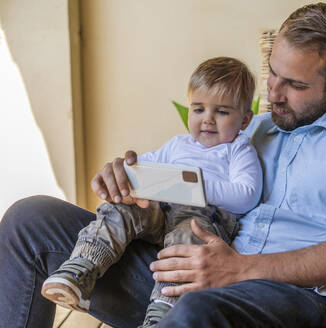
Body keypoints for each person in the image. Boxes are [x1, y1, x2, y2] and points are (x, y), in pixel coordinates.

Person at [0, 3, 326, 328]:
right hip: (190, 279)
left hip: (300, 300)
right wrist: (137, 181)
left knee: (198, 307)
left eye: (294, 85)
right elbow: (184, 182)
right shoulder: (245, 129)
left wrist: (240, 270)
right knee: (30, 220)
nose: (273, 94)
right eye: (272, 74)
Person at [40, 56, 262, 327]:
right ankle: (81, 269)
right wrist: (128, 173)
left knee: (188, 242)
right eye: (199, 109)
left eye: (222, 112)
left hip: (203, 218)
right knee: (123, 209)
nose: (208, 120)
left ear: (245, 119)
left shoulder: (238, 149)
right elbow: (144, 169)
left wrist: (194, 187)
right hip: (160, 210)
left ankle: (163, 310)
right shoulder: (177, 145)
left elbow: (247, 194)